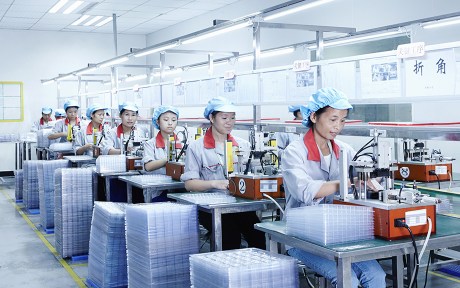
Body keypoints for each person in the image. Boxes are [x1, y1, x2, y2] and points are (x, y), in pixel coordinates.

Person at [281, 88, 386, 288]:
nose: (338, 126)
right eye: (333, 119)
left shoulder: (344, 150)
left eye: (343, 120)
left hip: (339, 233)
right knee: (348, 279)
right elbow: (305, 192)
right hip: (301, 236)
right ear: (313, 116)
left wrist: (371, 175)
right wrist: (349, 182)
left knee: (376, 277)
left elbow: (362, 169)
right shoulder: (294, 152)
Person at [180, 97, 266, 250]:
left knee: (259, 236)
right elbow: (189, 184)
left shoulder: (243, 145)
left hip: (239, 205)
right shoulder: (196, 148)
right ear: (212, 118)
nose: (229, 122)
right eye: (224, 118)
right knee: (229, 236)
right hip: (210, 206)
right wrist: (215, 183)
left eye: (232, 118)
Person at [143, 105, 182, 202]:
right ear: (157, 121)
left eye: (173, 120)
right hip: (158, 191)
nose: (170, 123)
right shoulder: (150, 144)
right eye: (165, 120)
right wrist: (168, 159)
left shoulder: (182, 144)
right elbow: (148, 166)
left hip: (180, 189)